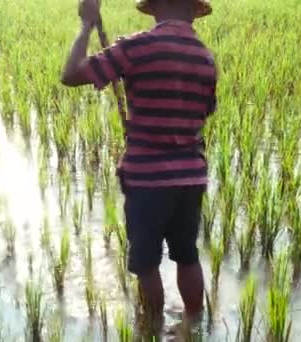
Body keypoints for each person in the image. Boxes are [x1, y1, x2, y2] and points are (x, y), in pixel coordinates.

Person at [61, 0, 217, 327]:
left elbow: (71, 74)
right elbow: (205, 110)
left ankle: (153, 328)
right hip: (190, 178)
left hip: (147, 179)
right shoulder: (205, 58)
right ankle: (194, 327)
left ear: (156, 8)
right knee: (187, 256)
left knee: (146, 263)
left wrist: (88, 26)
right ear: (192, 11)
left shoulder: (136, 47)